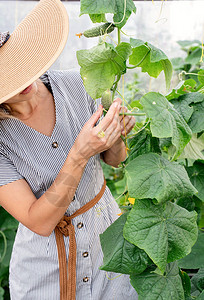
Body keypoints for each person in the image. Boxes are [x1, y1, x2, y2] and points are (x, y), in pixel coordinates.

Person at [0, 0, 137, 299]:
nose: (24, 79)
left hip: (108, 247)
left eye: (20, 63)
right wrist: (78, 154)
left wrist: (115, 135)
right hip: (45, 267)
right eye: (8, 79)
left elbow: (116, 160)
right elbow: (39, 220)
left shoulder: (77, 83)